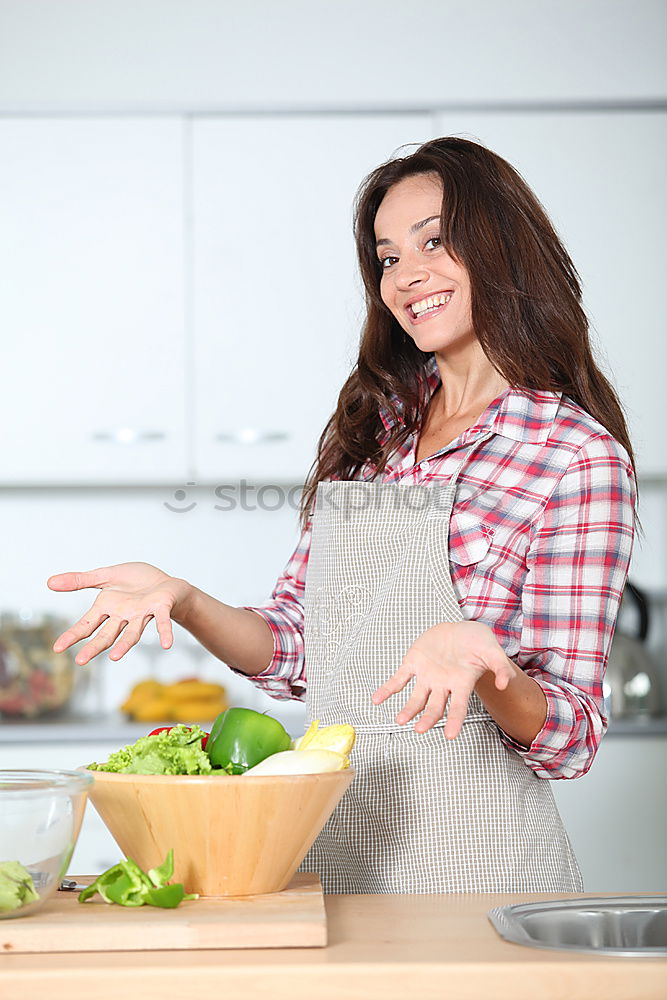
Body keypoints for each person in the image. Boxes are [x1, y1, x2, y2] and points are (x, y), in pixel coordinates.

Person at [48, 137, 637, 895]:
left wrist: (485, 662)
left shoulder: (572, 455)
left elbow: (571, 736)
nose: (407, 274)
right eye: (388, 257)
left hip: (478, 871)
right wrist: (188, 601)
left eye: (434, 241)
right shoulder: (377, 429)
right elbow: (301, 649)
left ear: (502, 249)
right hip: (327, 854)